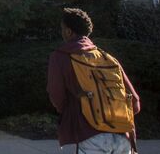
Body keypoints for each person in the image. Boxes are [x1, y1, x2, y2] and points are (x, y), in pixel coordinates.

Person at [47, 8, 140, 154]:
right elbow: (135, 101)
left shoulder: (60, 57)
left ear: (69, 32)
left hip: (88, 136)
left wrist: (73, 110)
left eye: (63, 29)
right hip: (122, 138)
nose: (62, 32)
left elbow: (56, 96)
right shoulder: (108, 58)